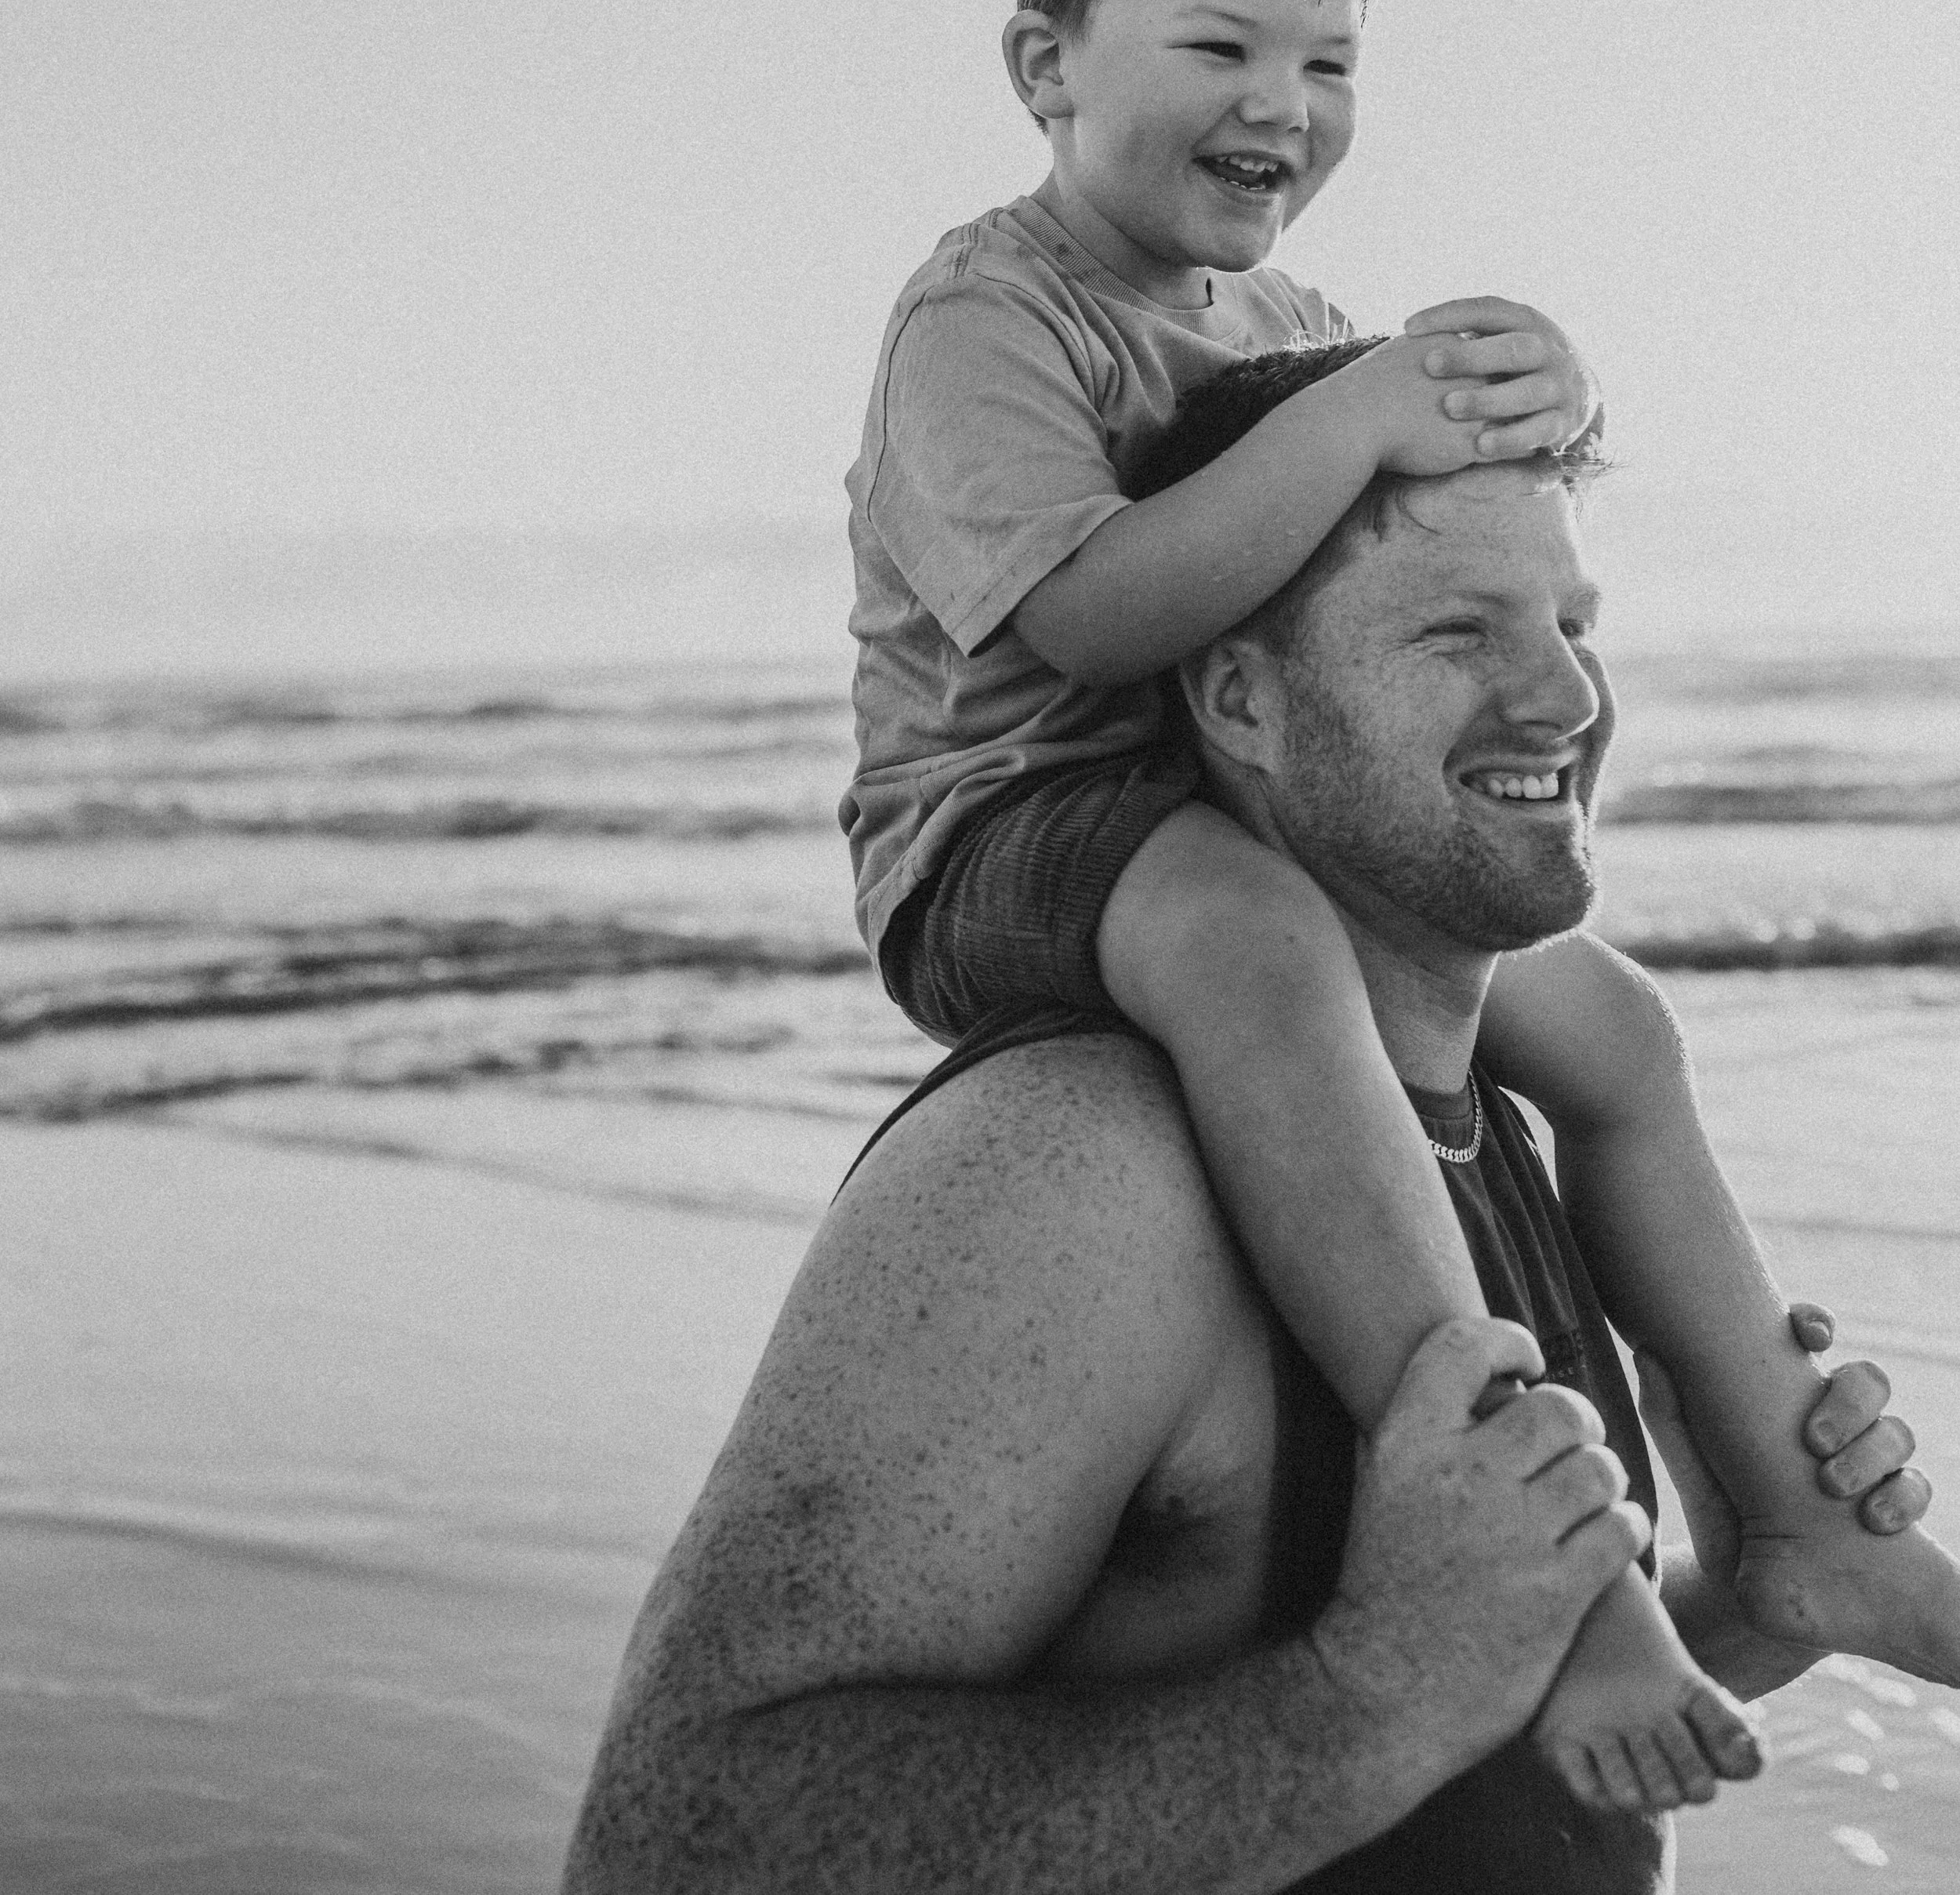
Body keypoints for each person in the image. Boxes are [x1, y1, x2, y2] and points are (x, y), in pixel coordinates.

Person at [839, 0, 1960, 1795]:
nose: (1283, 100)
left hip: (1227, 821)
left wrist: (1531, 391)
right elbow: (1096, 619)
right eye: (1217, 49)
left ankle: (1801, 1528)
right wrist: (1366, 404)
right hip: (1003, 829)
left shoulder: (1279, 327)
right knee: (1254, 937)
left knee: (1609, 1021)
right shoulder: (980, 320)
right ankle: (1533, 1549)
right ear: (1042, 71)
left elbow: (1414, 564)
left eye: (1327, 61)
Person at [565, 416, 1937, 1891]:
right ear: (1241, 696)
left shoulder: (1519, 1122)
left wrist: (1737, 1600)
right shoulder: (1078, 1168)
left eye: (1574, 622)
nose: (1566, 695)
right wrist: (1364, 1700)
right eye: (1460, 634)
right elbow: (669, 1849)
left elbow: (1468, 1741)